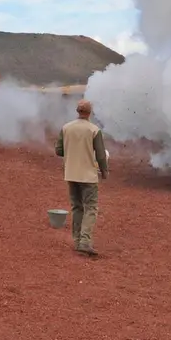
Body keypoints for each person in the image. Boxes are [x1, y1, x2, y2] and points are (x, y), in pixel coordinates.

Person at [54, 99, 109, 256]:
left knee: (77, 207)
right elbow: (100, 154)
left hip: (71, 174)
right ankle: (85, 241)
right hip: (88, 176)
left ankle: (77, 241)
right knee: (91, 208)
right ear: (89, 113)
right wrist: (104, 171)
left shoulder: (66, 128)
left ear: (77, 111)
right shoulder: (94, 130)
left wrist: (72, 151)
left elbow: (58, 150)